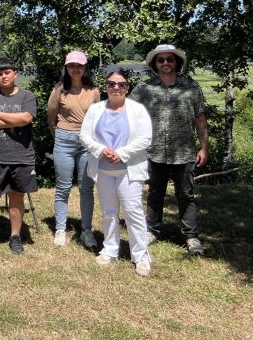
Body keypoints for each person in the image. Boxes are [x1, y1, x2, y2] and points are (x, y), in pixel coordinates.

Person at [129, 44, 209, 256]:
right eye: (161, 60)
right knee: (155, 193)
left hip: (184, 151)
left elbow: (200, 119)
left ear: (176, 62)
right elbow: (128, 116)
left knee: (186, 195)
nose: (165, 63)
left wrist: (204, 147)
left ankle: (191, 237)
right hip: (153, 151)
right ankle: (152, 230)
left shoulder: (191, 88)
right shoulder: (143, 89)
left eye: (169, 59)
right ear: (155, 64)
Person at [81, 69, 153, 276]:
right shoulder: (95, 110)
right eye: (112, 84)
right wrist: (101, 150)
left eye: (121, 84)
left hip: (128, 171)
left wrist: (121, 153)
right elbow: (85, 136)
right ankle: (110, 249)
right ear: (106, 87)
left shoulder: (137, 110)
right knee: (109, 212)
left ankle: (141, 256)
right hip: (103, 170)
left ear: (127, 88)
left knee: (133, 212)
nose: (116, 88)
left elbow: (145, 138)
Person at [0, 59, 38, 254]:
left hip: (21, 155)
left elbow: (26, 118)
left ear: (15, 74)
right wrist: (14, 122)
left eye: (7, 72)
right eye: (0, 74)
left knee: (17, 196)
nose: (4, 76)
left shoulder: (27, 96)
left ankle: (15, 236)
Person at [47, 51, 101, 249]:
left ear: (85, 67)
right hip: (64, 140)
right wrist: (60, 136)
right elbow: (51, 117)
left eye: (79, 65)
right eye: (71, 66)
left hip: (88, 142)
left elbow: (99, 118)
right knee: (63, 187)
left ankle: (86, 230)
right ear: (66, 68)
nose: (75, 69)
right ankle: (60, 229)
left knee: (86, 188)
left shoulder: (93, 90)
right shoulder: (59, 90)